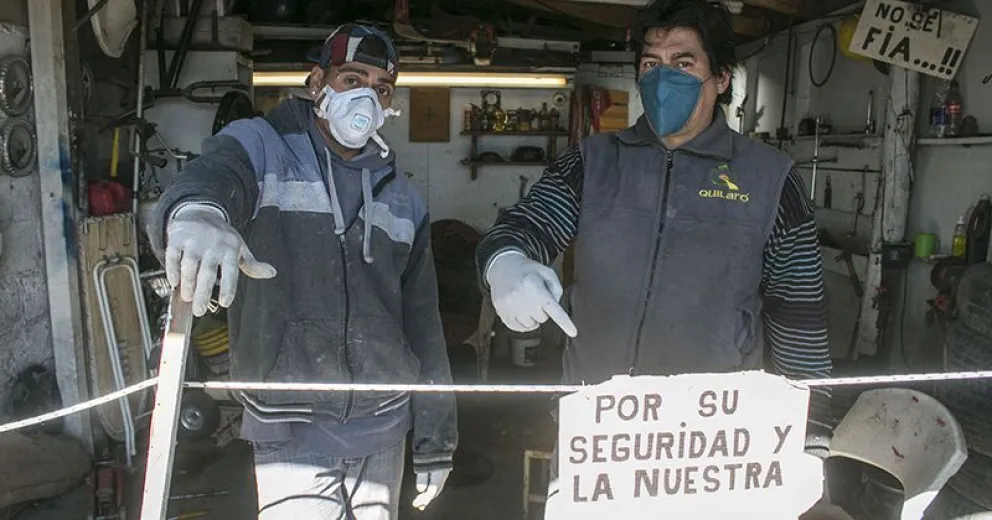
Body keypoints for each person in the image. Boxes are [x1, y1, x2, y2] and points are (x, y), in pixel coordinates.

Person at [475, 0, 832, 513]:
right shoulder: (592, 161)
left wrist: (813, 440)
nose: (663, 78)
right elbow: (526, 225)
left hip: (713, 442)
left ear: (722, 79)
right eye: (650, 63)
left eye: (683, 63)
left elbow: (800, 318)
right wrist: (505, 261)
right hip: (598, 428)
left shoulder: (770, 179)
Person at [146, 24, 457, 520]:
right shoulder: (262, 147)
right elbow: (216, 173)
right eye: (352, 78)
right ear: (317, 84)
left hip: (385, 424)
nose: (367, 98)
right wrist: (197, 212)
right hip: (289, 430)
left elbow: (423, 323)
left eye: (381, 88)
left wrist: (437, 437)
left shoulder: (403, 197)